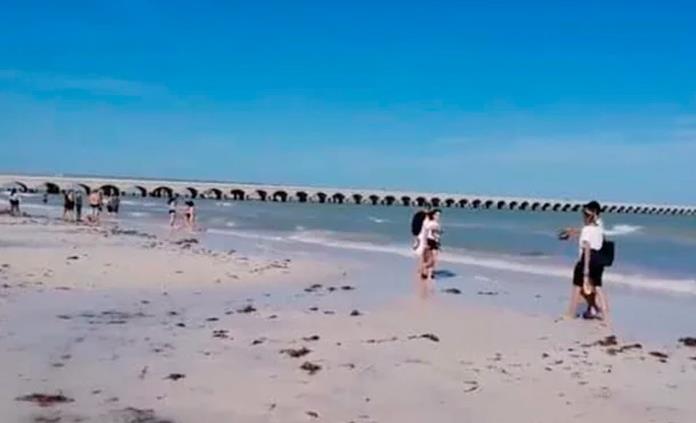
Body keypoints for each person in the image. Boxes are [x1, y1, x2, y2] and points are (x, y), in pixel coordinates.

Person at [565, 206, 610, 323]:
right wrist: (573, 232)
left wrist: (585, 269)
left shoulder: (586, 229)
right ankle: (605, 316)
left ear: (586, 216)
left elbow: (587, 248)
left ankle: (571, 314)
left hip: (586, 261)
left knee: (577, 288)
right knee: (597, 288)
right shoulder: (598, 229)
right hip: (598, 261)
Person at [423, 209, 442, 280]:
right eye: (437, 215)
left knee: (434, 259)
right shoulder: (430, 223)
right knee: (430, 259)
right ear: (433, 215)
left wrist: (438, 241)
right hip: (429, 241)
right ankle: (425, 270)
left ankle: (430, 274)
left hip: (435, 242)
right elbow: (426, 232)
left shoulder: (438, 224)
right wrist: (425, 242)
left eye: (439, 215)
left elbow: (437, 234)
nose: (438, 216)